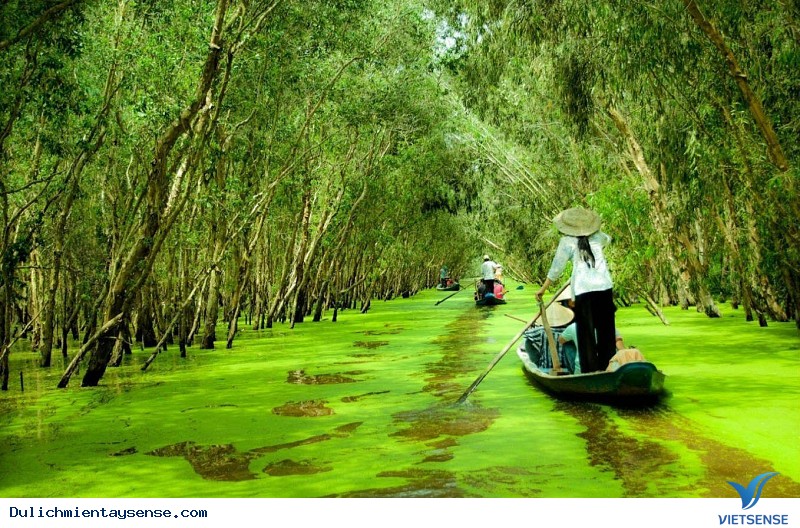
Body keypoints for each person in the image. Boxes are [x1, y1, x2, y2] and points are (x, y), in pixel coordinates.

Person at [536, 207, 617, 372]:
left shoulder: (567, 241)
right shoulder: (598, 236)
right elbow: (608, 239)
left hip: (584, 290)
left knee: (585, 334)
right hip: (604, 287)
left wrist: (543, 289)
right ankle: (608, 368)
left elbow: (556, 268)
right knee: (606, 331)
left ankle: (590, 372)